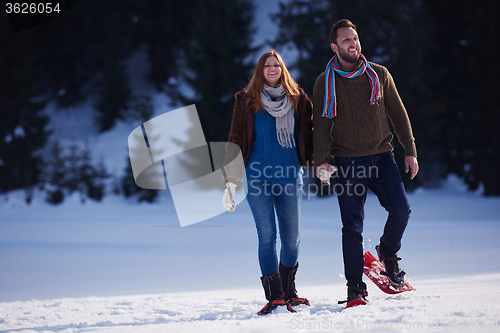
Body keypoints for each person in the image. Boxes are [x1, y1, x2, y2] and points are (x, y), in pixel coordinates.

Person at [312, 19, 419, 307]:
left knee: (401, 210)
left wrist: (409, 149)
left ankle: (387, 253)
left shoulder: (379, 74)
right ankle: (355, 289)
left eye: (355, 38)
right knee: (352, 228)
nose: (353, 43)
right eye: (346, 40)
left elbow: (398, 113)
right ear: (335, 46)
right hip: (347, 161)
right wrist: (321, 160)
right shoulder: (325, 81)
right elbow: (321, 125)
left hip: (383, 157)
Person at [222, 50, 313, 315]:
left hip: (288, 177)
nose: (272, 68)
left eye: (277, 65)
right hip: (256, 176)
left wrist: (320, 162)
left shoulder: (299, 100)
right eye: (267, 65)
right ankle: (275, 297)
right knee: (266, 237)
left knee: (292, 240)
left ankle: (288, 292)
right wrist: (230, 180)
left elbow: (310, 135)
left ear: (283, 69)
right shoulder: (246, 101)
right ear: (260, 71)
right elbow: (236, 139)